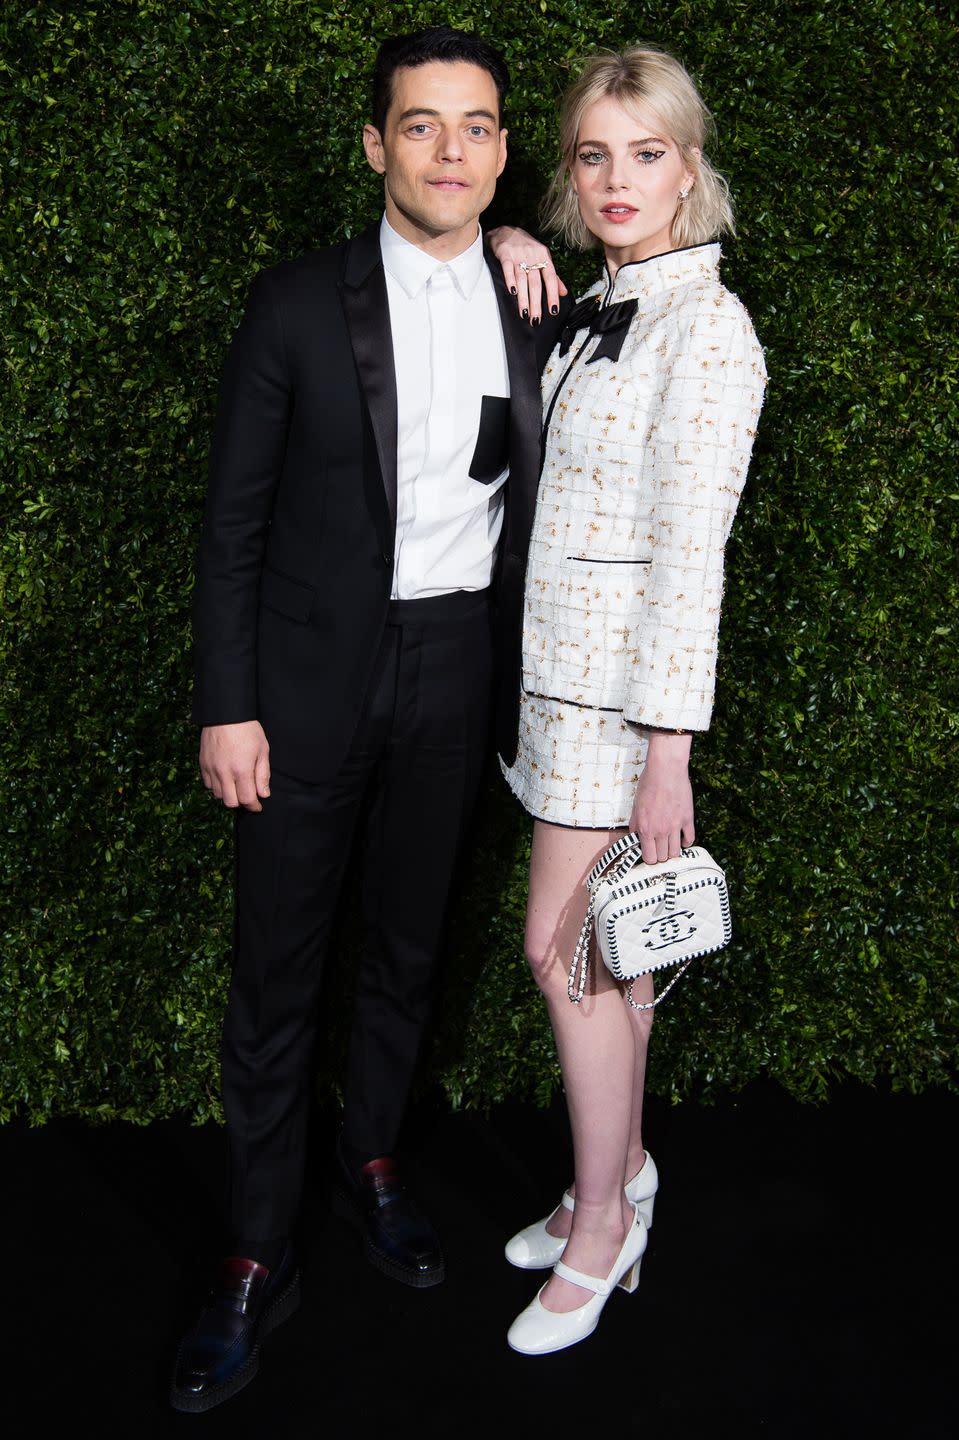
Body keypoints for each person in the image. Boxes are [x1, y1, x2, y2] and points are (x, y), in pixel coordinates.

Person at [170, 26, 567, 1412]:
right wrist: (231, 707)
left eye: (476, 127)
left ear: (504, 150)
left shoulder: (538, 303)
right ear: (374, 144)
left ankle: (375, 1167)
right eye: (420, 125)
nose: (449, 151)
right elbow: (231, 530)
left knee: (408, 949)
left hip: (459, 672)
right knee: (278, 980)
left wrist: (520, 241)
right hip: (306, 691)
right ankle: (254, 1252)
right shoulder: (292, 306)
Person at [488, 44, 767, 1354]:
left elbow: (688, 551)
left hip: (617, 710)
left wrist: (670, 750)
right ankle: (619, 1174)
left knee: (571, 954)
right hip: (550, 690)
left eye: (644, 153)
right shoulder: (602, 301)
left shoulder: (707, 328)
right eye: (594, 153)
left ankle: (607, 1225)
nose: (615, 177)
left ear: (687, 167)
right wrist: (496, 238)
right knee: (611, 964)